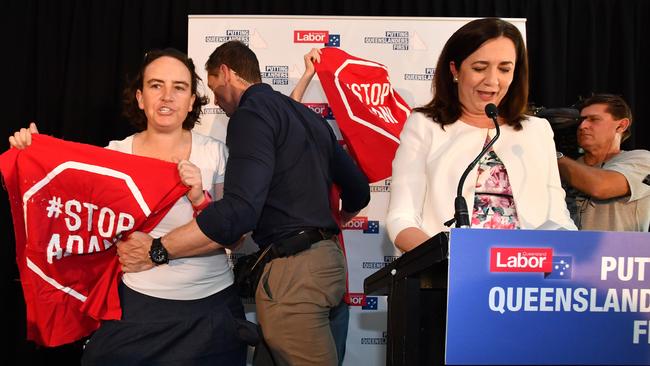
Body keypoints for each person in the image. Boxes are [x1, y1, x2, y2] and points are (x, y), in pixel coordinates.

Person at [116, 40, 371, 366]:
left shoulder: (249, 115)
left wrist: (158, 248)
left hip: (293, 275)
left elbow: (239, 212)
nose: (218, 103)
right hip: (330, 266)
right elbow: (359, 192)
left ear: (225, 73)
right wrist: (334, 220)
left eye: (213, 88)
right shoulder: (308, 119)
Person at [9, 48, 249, 365]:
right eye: (155, 85)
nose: (167, 96)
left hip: (211, 311)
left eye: (179, 87)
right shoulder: (114, 156)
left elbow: (235, 238)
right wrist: (35, 157)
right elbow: (64, 214)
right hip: (138, 309)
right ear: (139, 97)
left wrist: (199, 198)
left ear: (192, 100)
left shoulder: (216, 153)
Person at [386, 18, 576, 252]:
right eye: (479, 68)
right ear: (455, 69)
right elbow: (401, 219)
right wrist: (448, 262)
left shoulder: (538, 130)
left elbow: (558, 218)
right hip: (449, 276)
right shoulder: (424, 125)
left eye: (504, 69)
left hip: (527, 275)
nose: (492, 81)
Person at [289, 47, 349, 366]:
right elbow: (287, 112)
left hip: (334, 279)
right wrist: (308, 75)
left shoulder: (336, 169)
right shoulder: (294, 167)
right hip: (301, 278)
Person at [557, 94, 650, 231]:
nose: (582, 126)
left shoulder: (643, 160)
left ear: (621, 125)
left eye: (594, 119)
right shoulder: (564, 164)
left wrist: (552, 155)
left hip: (617, 251)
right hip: (563, 250)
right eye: (581, 121)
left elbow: (601, 186)